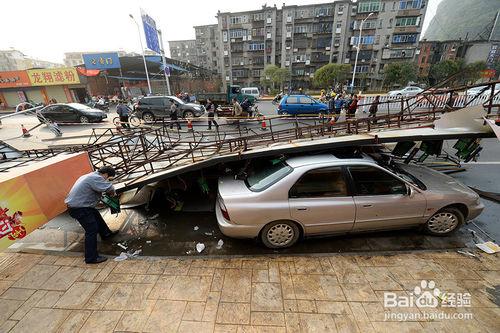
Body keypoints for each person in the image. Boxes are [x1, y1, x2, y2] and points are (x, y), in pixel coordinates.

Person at [65, 166, 118, 264]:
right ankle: (91, 258)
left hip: (78, 206)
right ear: (106, 174)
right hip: (80, 208)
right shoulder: (96, 178)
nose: (107, 180)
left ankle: (106, 234)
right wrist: (113, 193)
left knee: (96, 215)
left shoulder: (90, 175)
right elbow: (109, 187)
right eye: (108, 178)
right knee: (91, 230)